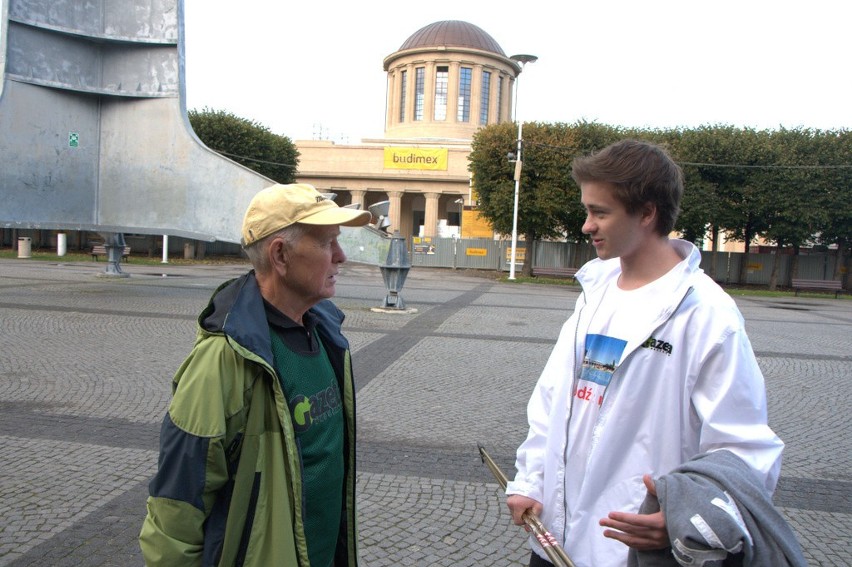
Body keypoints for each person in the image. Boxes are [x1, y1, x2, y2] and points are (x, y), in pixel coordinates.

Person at [505, 140, 786, 567]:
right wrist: (531, 481)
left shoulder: (706, 313)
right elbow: (553, 401)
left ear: (647, 212)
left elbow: (745, 449)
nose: (586, 225)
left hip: (634, 552)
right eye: (588, 211)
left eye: (600, 212)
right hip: (554, 540)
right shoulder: (594, 293)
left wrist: (688, 517)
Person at [139, 183, 371, 566]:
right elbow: (176, 510)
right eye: (328, 243)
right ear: (280, 254)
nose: (341, 257)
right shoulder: (222, 360)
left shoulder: (327, 333)